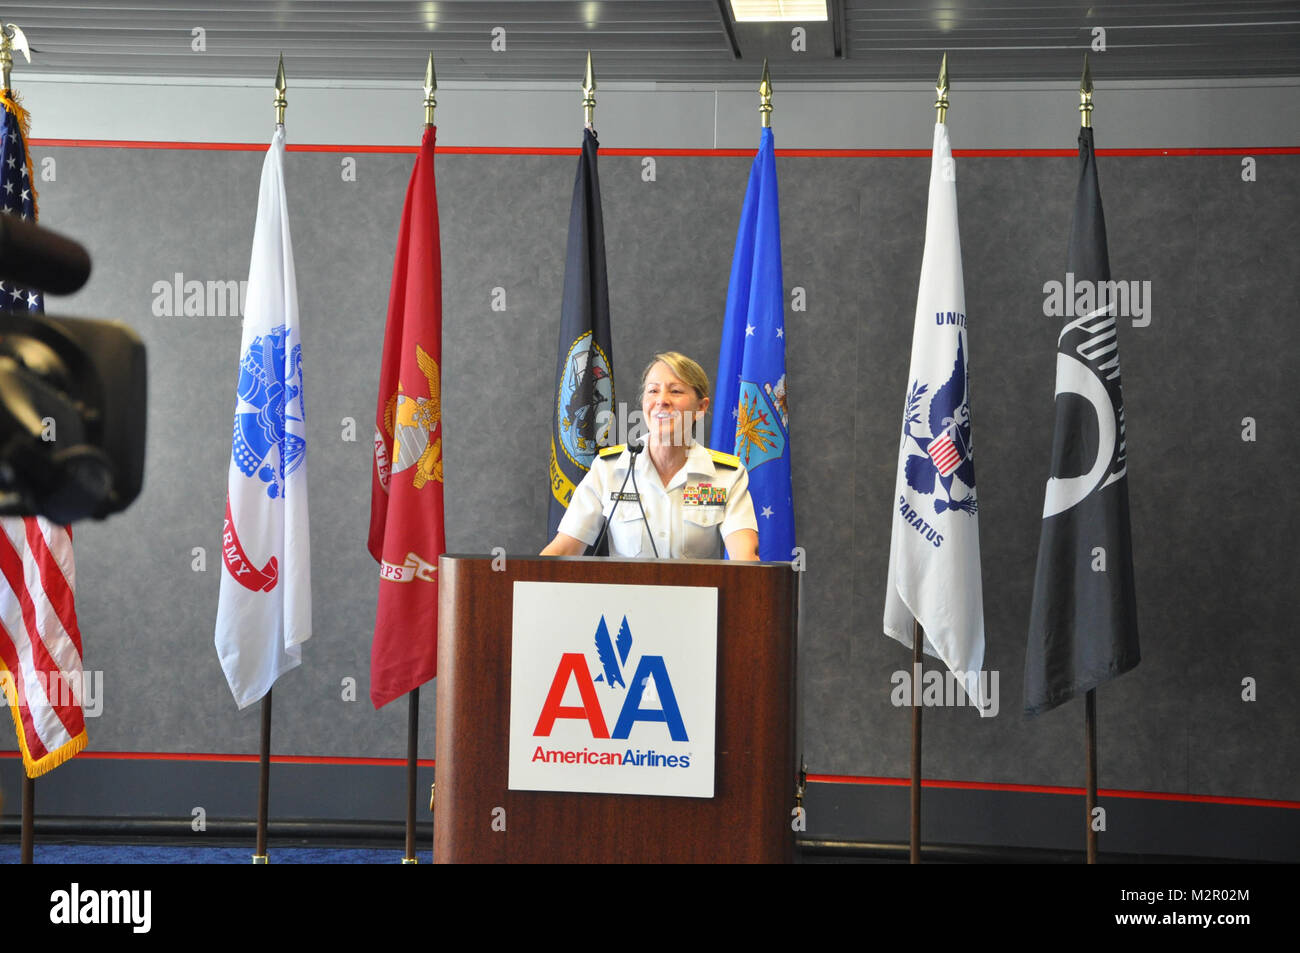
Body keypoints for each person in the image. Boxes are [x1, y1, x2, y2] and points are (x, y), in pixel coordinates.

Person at [541, 352, 760, 560]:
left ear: (701, 407)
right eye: (653, 391)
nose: (661, 400)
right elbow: (565, 548)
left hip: (700, 599)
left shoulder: (726, 476)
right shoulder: (608, 469)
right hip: (626, 599)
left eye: (675, 391)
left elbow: (745, 558)